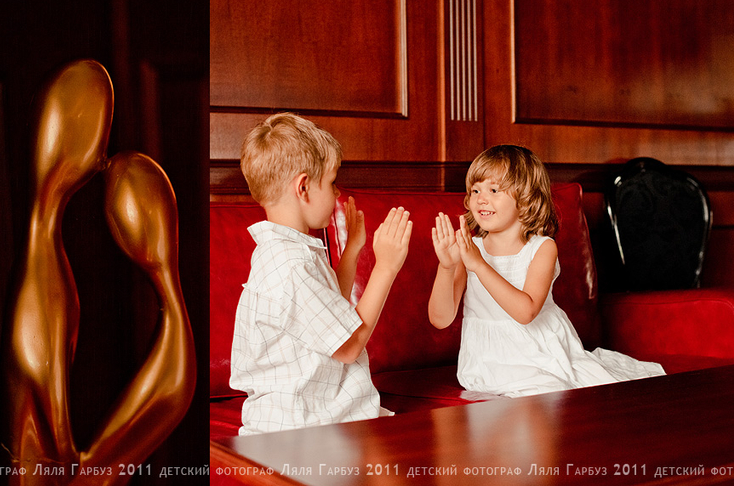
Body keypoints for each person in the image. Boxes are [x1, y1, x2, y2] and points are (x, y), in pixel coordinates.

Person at [428, 144, 664, 398]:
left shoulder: (542, 248)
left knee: (553, 392)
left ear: (526, 198)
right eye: (475, 190)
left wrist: (479, 265)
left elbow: (526, 312)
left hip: (539, 351)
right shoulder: (470, 248)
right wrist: (446, 266)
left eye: (493, 190)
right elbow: (440, 319)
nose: (481, 199)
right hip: (485, 359)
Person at [230, 112, 413, 434]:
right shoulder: (290, 264)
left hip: (312, 417)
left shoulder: (286, 250)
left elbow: (329, 315)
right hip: (303, 426)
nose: (338, 193)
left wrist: (352, 251)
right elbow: (349, 345)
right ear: (303, 188)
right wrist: (386, 267)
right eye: (331, 182)